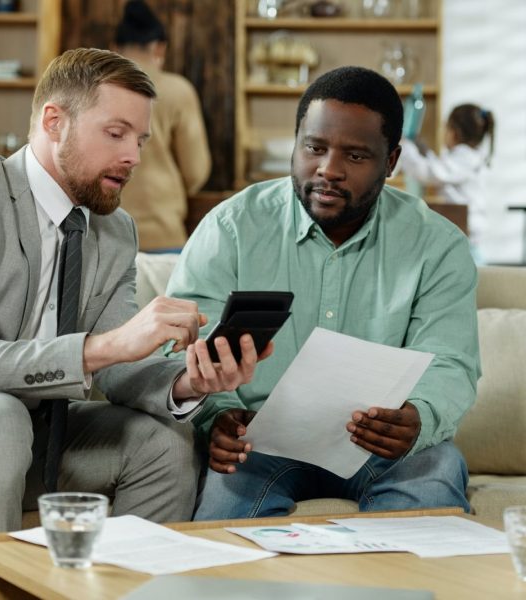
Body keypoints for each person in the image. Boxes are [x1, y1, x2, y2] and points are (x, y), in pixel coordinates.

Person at [0, 48, 266, 600]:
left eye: (142, 140)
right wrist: (103, 346)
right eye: (116, 133)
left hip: (40, 433)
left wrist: (188, 382)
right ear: (53, 121)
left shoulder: (115, 230)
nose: (134, 156)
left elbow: (117, 370)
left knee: (162, 441)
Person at [167, 66, 480, 521]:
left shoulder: (437, 245)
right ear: (296, 142)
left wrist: (419, 417)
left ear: (390, 162)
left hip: (381, 447)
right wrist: (218, 415)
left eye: (355, 156)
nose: (328, 170)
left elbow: (451, 361)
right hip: (258, 442)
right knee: (224, 527)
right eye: (314, 148)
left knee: (437, 473)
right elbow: (182, 345)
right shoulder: (231, 227)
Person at [113, 0, 211, 252]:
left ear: (114, 48)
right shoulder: (177, 90)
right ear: (159, 48)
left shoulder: (92, 88)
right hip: (163, 232)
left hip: (104, 236)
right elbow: (196, 171)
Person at [396, 103, 495, 264]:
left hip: (467, 242)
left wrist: (405, 147)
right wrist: (425, 151)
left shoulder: (464, 157)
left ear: (455, 133)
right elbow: (440, 168)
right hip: (468, 238)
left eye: (445, 128)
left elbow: (429, 173)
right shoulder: (468, 157)